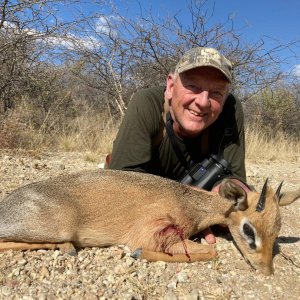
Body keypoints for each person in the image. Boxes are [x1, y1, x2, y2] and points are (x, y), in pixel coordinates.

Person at [108, 47, 250, 243]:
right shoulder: (146, 103)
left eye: (216, 92)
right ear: (171, 86)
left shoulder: (231, 111)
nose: (202, 102)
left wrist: (229, 194)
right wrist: (189, 210)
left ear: (225, 97)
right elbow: (119, 185)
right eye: (193, 87)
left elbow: (235, 176)